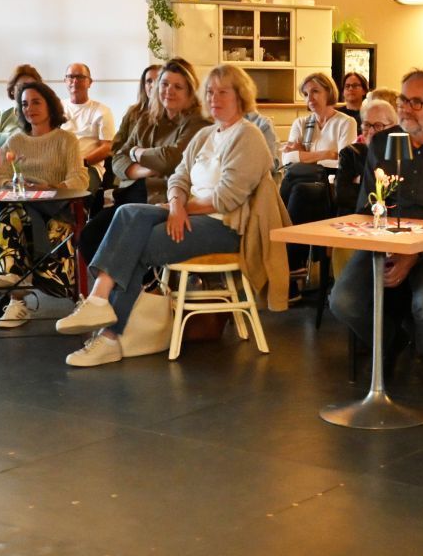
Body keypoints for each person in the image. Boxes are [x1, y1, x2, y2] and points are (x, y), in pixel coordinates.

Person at [58, 63, 283, 368]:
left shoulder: (248, 136)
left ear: (240, 96)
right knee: (127, 213)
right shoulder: (206, 134)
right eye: (211, 92)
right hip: (191, 213)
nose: (215, 98)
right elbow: (179, 177)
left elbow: (226, 198)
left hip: (225, 227)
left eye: (223, 92)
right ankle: (100, 305)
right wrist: (176, 204)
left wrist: (178, 208)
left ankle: (109, 332)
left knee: (136, 241)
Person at [329, 69, 423, 376]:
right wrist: (382, 246)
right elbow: (367, 205)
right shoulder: (383, 142)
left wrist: (413, 255)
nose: (407, 108)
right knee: (342, 301)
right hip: (382, 243)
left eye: (417, 102)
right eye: (403, 100)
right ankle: (391, 341)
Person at [84, 57, 207, 259]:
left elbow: (171, 158)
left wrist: (137, 152)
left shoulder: (197, 122)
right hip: (132, 189)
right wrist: (145, 169)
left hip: (164, 195)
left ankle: (133, 285)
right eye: (165, 84)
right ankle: (119, 287)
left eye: (178, 87)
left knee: (124, 240)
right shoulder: (146, 118)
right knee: (91, 236)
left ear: (190, 93)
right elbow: (117, 158)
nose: (169, 90)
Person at [0, 79, 88, 328]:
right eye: (24, 104)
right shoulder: (14, 141)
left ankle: (15, 284)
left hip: (56, 206)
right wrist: (12, 184)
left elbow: (79, 178)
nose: (29, 108)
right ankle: (17, 297)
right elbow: (1, 176)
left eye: (36, 102)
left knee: (14, 215)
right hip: (22, 204)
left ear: (50, 105)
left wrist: (50, 188)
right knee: (11, 212)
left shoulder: (66, 140)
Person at [279, 71, 360, 266]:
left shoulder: (346, 122)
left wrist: (305, 155)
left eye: (315, 91)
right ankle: (289, 261)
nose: (310, 98)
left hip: (331, 185)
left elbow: (343, 161)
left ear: (328, 92)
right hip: (302, 181)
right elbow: (288, 158)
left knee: (297, 189)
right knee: (295, 185)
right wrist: (326, 154)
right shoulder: (301, 123)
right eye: (306, 94)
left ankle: (288, 262)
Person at [61, 64, 118, 184]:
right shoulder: (56, 108)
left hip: (88, 167)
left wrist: (81, 163)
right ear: (65, 81)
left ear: (89, 82)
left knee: (74, 192)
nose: (75, 81)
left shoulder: (102, 111)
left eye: (80, 77)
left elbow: (107, 147)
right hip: (59, 166)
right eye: (70, 77)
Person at [0, 64, 45, 150]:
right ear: (12, 90)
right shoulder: (0, 115)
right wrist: (16, 136)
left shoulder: (44, 116)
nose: (26, 92)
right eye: (21, 87)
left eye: (32, 87)